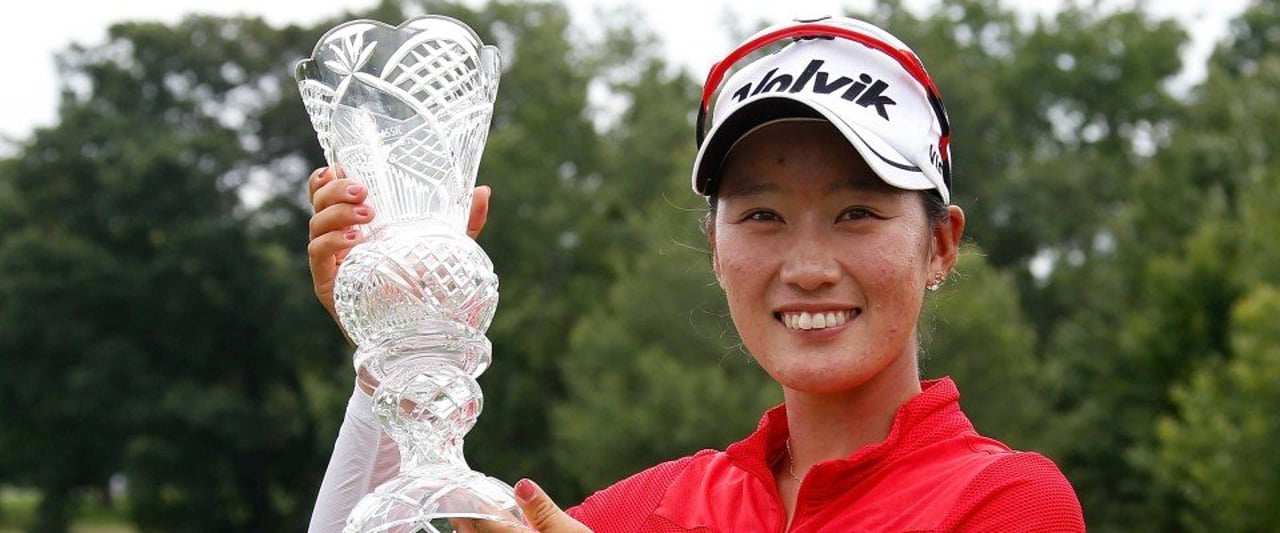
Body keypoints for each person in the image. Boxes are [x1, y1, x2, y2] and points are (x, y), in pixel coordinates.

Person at [306, 15, 1085, 533]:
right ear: (716, 247)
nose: (809, 268)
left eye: (857, 213)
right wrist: (398, 345)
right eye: (761, 216)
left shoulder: (1007, 502)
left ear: (941, 245)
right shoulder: (659, 507)